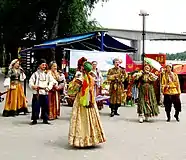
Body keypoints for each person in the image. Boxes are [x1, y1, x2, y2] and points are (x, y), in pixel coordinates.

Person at [68, 57, 106, 148]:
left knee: (81, 118)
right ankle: (91, 139)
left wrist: (74, 84)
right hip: (90, 99)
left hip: (82, 100)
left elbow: (71, 90)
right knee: (90, 118)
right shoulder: (90, 77)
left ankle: (82, 139)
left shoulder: (81, 77)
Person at [29, 59, 55, 125]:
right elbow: (30, 81)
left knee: (46, 106)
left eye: (45, 65)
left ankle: (45, 119)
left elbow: (52, 81)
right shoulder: (35, 74)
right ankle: (34, 120)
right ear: (39, 65)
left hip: (45, 92)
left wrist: (49, 88)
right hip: (37, 93)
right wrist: (33, 86)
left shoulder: (48, 74)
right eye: (42, 65)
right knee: (35, 106)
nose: (44, 66)